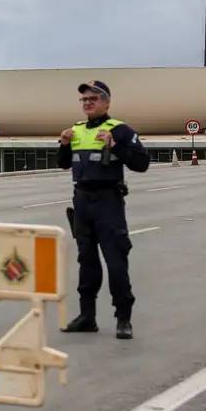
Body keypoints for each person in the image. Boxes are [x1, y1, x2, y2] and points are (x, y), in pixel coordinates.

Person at [58, 80, 149, 340]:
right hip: (82, 202)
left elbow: (142, 163)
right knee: (86, 261)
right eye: (84, 99)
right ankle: (87, 316)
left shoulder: (119, 130)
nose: (88, 102)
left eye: (93, 98)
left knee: (116, 261)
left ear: (107, 102)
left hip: (108, 201)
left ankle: (123, 318)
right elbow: (63, 164)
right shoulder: (75, 130)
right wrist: (64, 144)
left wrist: (115, 146)